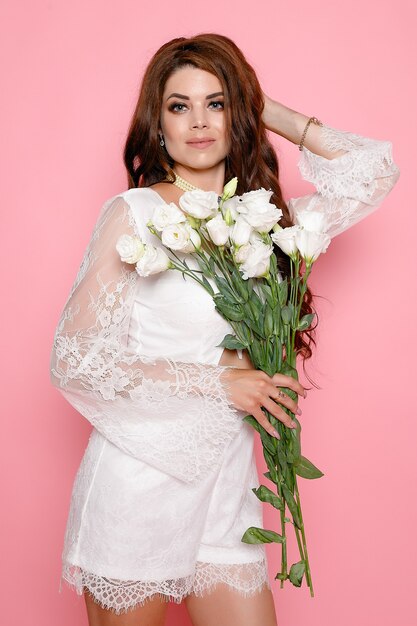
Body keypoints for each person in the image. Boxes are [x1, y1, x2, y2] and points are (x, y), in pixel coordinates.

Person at [49, 33, 400, 626]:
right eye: (179, 106)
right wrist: (218, 383)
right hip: (139, 479)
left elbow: (373, 172)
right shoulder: (134, 215)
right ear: (156, 124)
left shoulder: (266, 221)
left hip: (228, 486)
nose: (199, 121)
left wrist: (260, 102)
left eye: (217, 102)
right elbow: (74, 358)